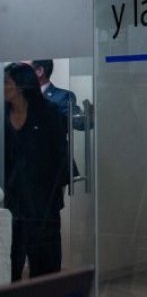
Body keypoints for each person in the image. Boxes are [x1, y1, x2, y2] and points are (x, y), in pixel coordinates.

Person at [3, 62, 70, 281]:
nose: (3, 87)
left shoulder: (48, 114)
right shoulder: (2, 116)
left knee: (45, 266)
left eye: (7, 83)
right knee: (9, 264)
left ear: (22, 86)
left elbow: (60, 159)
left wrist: (51, 199)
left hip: (42, 205)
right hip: (11, 203)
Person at [28, 59, 87, 131]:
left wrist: (92, 114)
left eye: (24, 70)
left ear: (39, 71)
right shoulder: (20, 97)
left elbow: (80, 123)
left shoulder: (63, 97)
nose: (19, 75)